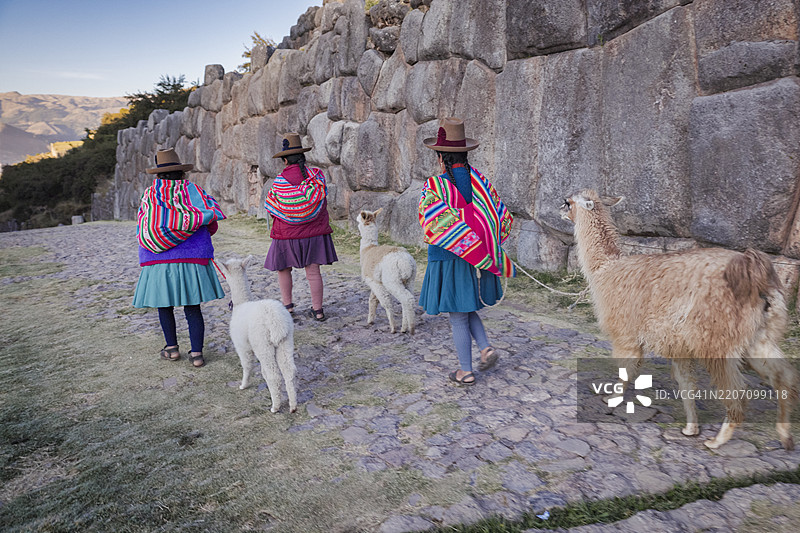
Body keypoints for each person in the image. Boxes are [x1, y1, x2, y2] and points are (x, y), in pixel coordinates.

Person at [418, 117, 515, 385]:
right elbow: (501, 216)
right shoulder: (480, 184)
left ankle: (466, 370)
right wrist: (480, 243)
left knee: (457, 316)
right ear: (464, 154)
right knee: (465, 306)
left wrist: (457, 237)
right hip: (476, 258)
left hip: (448, 258)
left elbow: (429, 220)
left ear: (440, 158)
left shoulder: (435, 186)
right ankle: (485, 348)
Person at [132, 148, 226, 368]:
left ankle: (172, 349)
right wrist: (189, 229)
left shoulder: (150, 195)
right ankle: (197, 355)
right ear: (181, 172)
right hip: (192, 259)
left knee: (164, 306)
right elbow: (211, 222)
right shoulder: (195, 191)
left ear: (158, 174)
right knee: (192, 307)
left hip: (159, 261)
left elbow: (145, 225)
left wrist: (165, 235)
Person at [263, 133, 338, 321]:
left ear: (285, 159)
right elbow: (322, 202)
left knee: (283, 269)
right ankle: (318, 310)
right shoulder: (317, 177)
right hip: (314, 234)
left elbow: (273, 207)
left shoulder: (279, 182)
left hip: (286, 235)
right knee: (313, 272)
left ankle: (287, 307)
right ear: (303, 156)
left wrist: (290, 214)